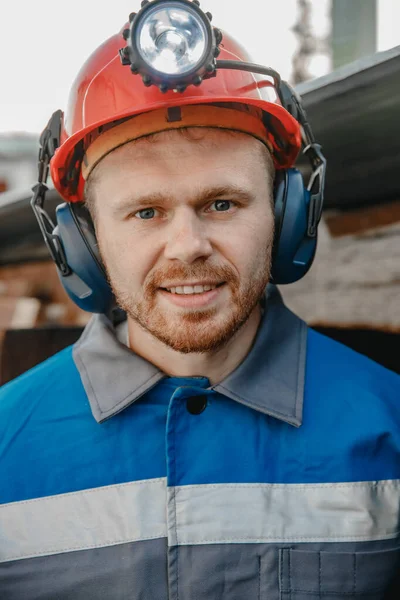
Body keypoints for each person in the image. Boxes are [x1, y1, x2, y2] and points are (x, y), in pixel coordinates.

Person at [0, 1, 399, 598]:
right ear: (83, 242)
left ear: (287, 215)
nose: (187, 247)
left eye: (222, 204)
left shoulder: (390, 426)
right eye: (145, 212)